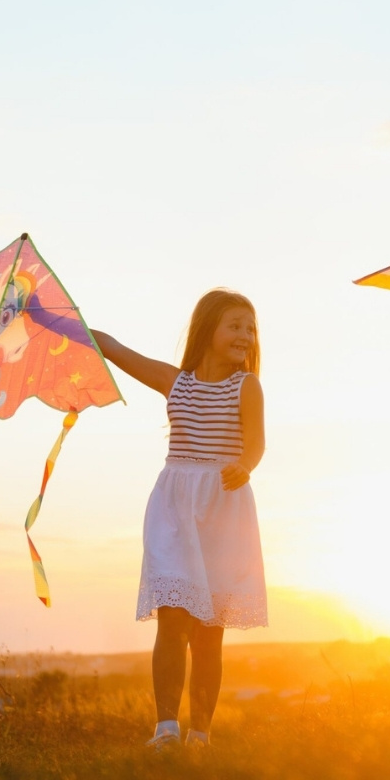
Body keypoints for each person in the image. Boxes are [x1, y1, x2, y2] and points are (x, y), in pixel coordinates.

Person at [91, 289, 268, 749]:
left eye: (250, 329)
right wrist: (56, 321)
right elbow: (113, 348)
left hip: (223, 511)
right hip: (173, 509)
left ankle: (200, 735)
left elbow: (257, 444)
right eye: (234, 325)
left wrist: (244, 466)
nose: (244, 336)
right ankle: (166, 728)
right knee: (172, 620)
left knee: (209, 634)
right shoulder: (177, 382)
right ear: (207, 329)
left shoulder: (247, 386)